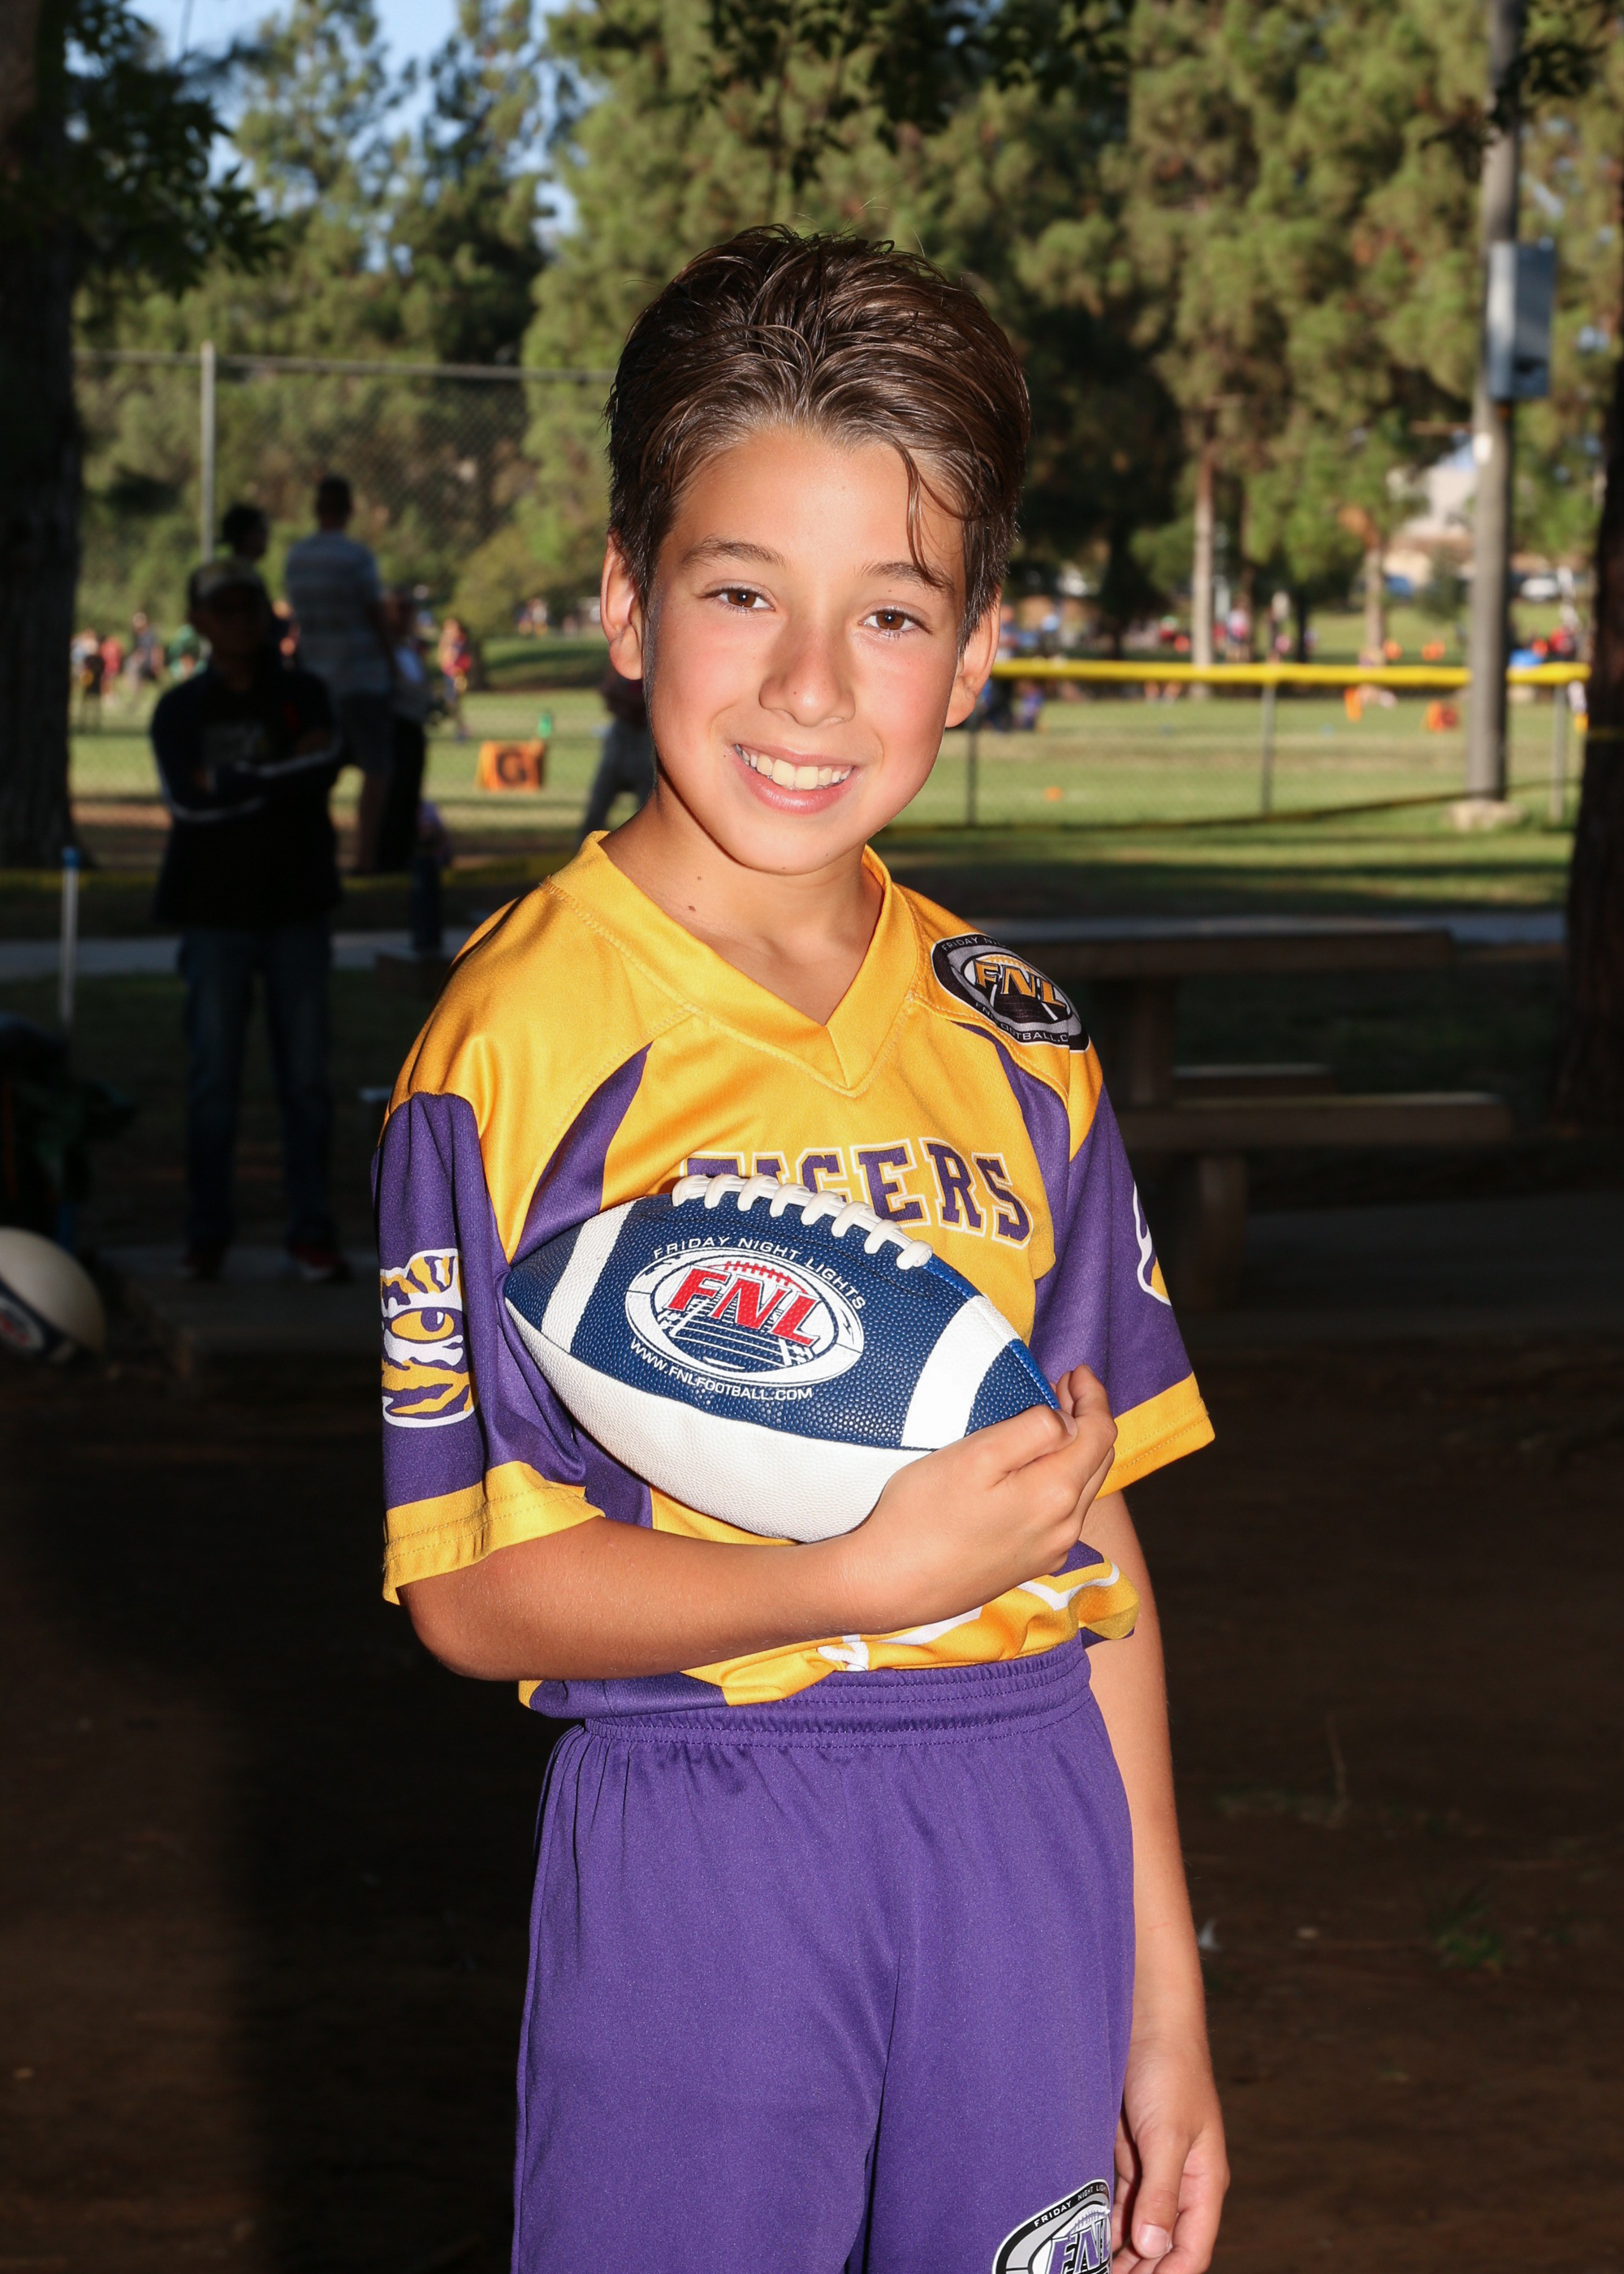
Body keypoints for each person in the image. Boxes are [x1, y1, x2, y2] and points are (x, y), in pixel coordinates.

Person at [378, 229, 1226, 2272]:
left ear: (975, 649)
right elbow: (471, 1593)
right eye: (742, 591)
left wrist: (1161, 1989)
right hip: (709, 1827)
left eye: (892, 611)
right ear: (624, 598)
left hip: (1028, 1821)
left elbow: (1090, 1521)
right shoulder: (514, 1043)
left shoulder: (1014, 1033)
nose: (810, 685)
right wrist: (853, 1578)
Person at [149, 557, 347, 1283]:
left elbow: (325, 764)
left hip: (297, 910)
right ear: (198, 621)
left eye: (250, 607)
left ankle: (311, 1234)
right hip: (213, 917)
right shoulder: (179, 709)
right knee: (213, 1082)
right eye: (224, 609)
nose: (239, 622)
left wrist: (232, 782)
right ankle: (206, 1236)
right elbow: (187, 804)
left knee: (307, 1083)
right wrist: (279, 777)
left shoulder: (303, 693)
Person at [283, 475, 395, 872]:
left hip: (316, 677)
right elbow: (374, 614)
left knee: (317, 773)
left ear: (316, 509)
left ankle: (317, 856)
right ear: (349, 509)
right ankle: (365, 857)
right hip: (361, 676)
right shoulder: (356, 558)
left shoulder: (296, 558)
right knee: (377, 768)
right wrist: (393, 663)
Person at [374, 588, 432, 872]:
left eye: (410, 610)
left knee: (409, 796)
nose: (406, 616)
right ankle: (386, 861)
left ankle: (403, 858)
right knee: (393, 799)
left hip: (413, 730)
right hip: (394, 731)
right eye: (400, 609)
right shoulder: (382, 653)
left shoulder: (409, 652)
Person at [575, 664, 654, 842]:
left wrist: (635, 704)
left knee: (648, 806)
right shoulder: (621, 667)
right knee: (598, 805)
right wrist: (635, 704)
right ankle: (583, 849)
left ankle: (647, 849)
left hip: (645, 739)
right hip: (620, 738)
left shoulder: (653, 664)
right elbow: (608, 693)